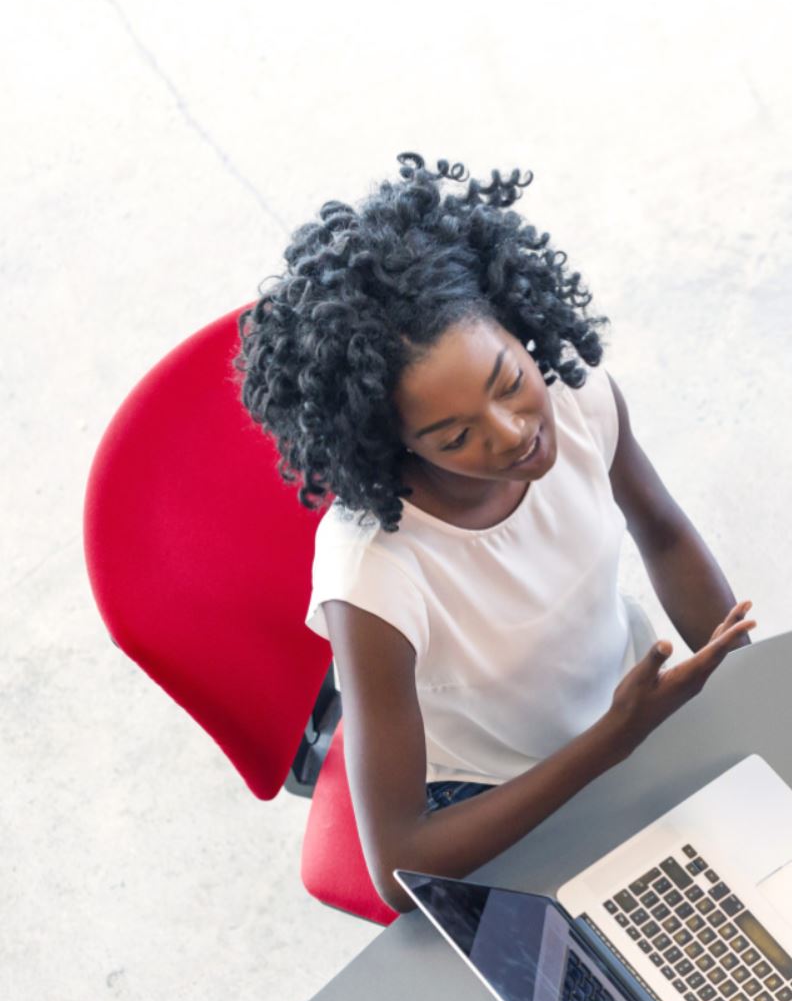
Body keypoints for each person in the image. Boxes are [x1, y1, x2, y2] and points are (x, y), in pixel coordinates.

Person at [238, 154, 755, 912]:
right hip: (488, 796)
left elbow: (663, 532)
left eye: (510, 382)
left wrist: (743, 679)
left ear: (516, 326)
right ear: (394, 447)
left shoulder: (576, 397)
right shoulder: (374, 578)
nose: (513, 434)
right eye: (454, 437)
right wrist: (614, 739)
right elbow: (400, 868)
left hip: (627, 701)